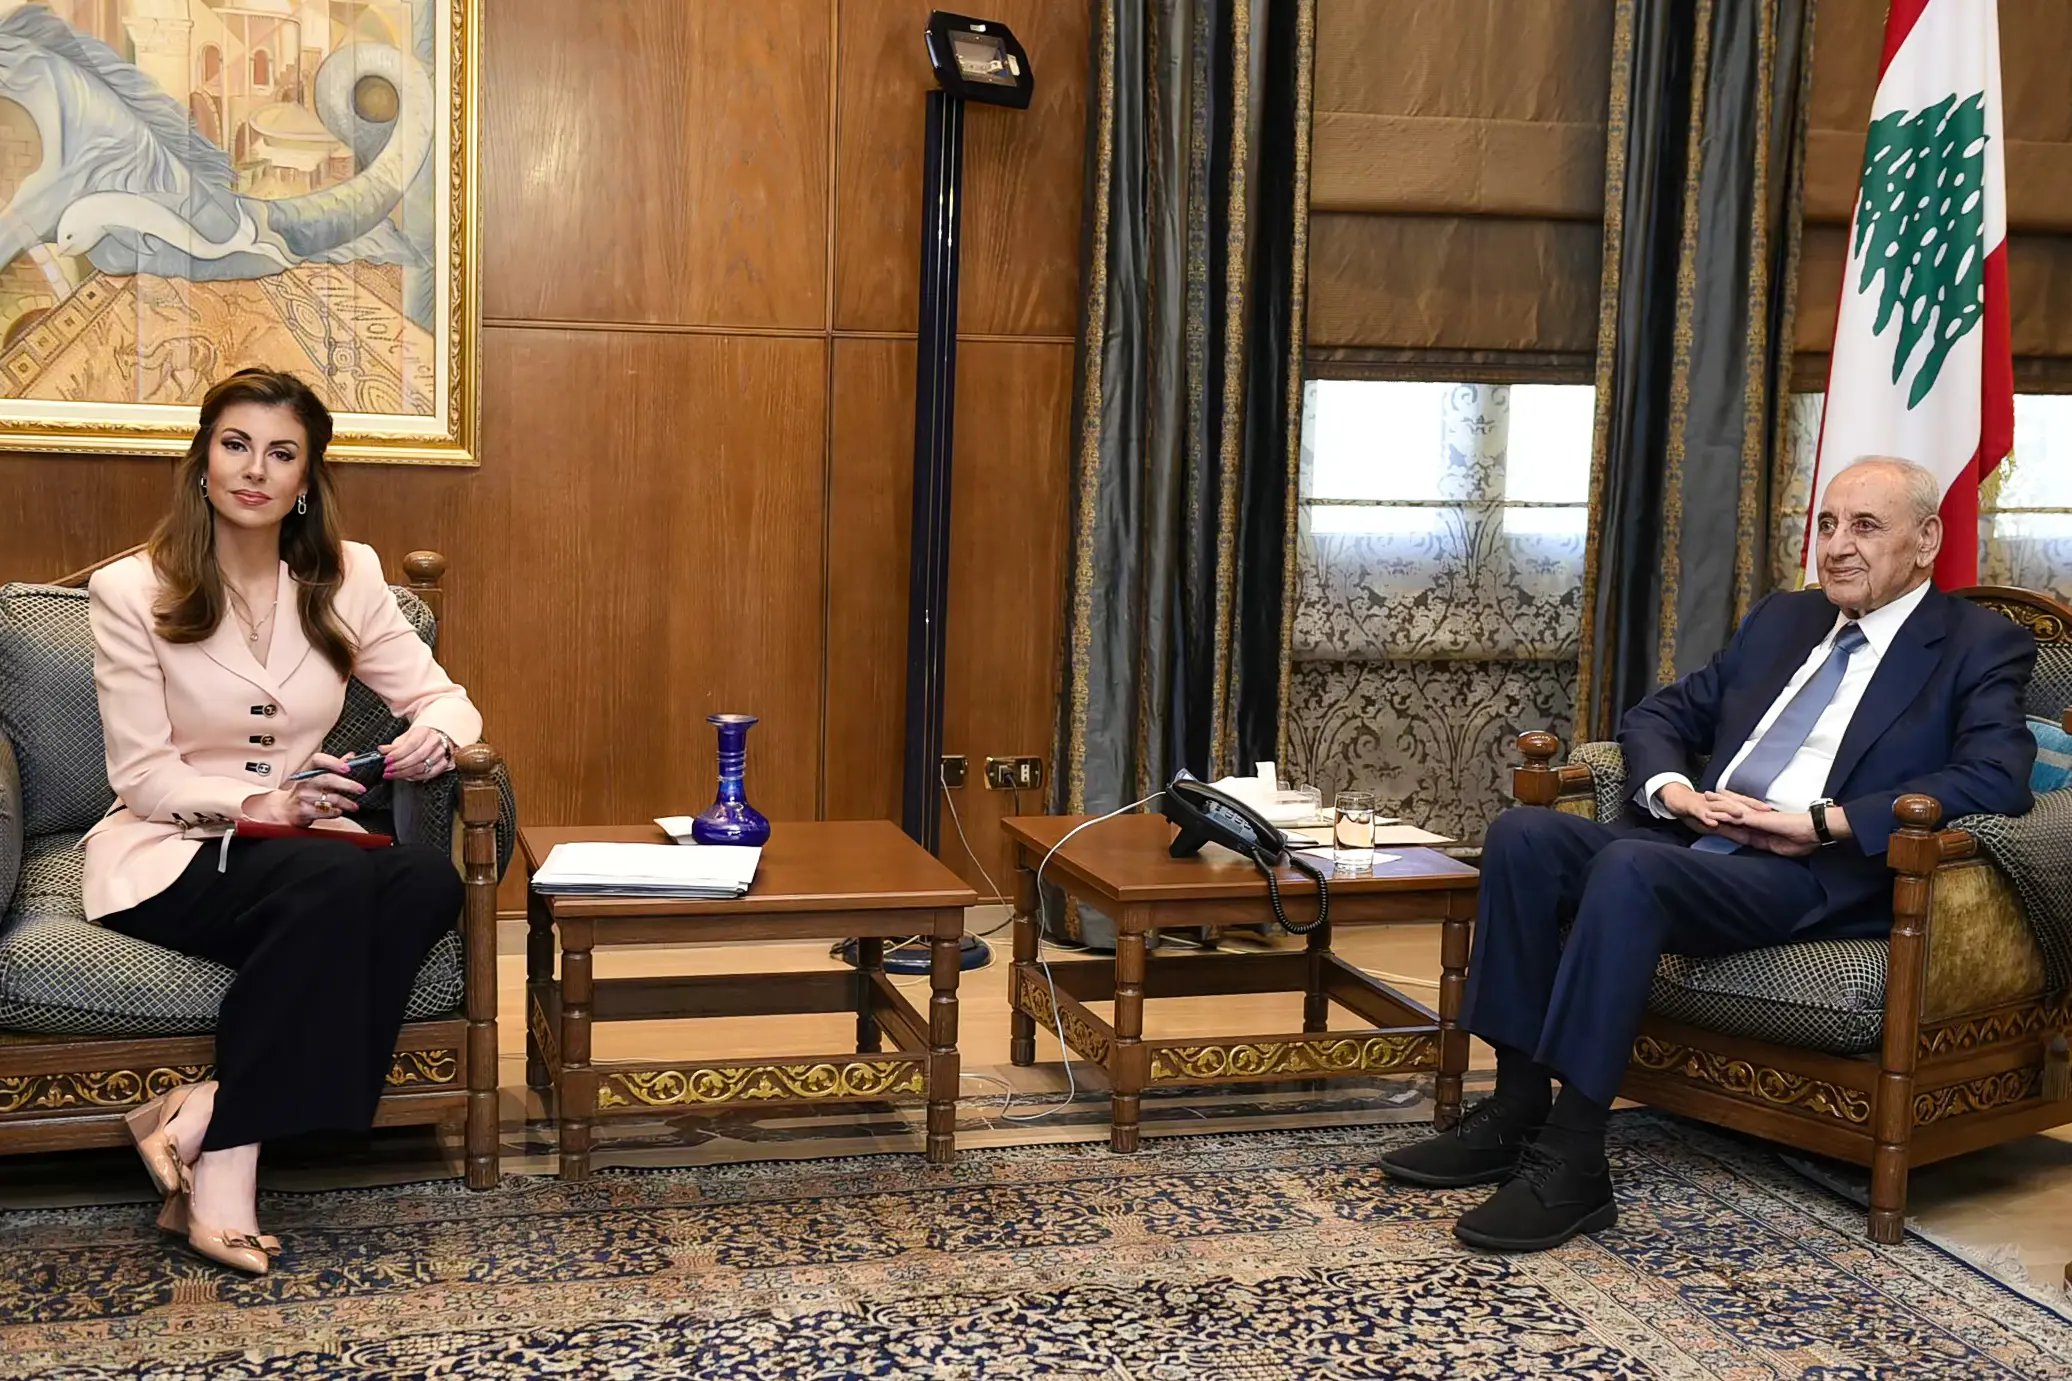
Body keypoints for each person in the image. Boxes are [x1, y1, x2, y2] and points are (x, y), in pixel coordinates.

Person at [1379, 457, 2037, 1252]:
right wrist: (1676, 792)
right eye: (1828, 524)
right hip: (1698, 840)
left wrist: (1824, 823)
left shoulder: (1977, 644)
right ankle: (1516, 1108)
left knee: (1628, 868)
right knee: (1525, 834)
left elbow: (1996, 776)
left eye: (1865, 526)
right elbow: (1661, 713)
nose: (1837, 546)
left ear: (1927, 539)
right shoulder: (1785, 619)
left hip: (1807, 872)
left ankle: (1574, 1158)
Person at [84, 368, 483, 1275]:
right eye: (235, 445)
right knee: (337, 877)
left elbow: (448, 700)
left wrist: (432, 738)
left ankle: (207, 1107)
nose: (254, 469)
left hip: (304, 852)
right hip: (175, 846)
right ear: (203, 461)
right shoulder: (129, 590)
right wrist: (259, 804)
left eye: (281, 453)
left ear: (307, 477)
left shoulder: (349, 575)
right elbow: (141, 774)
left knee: (427, 879)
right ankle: (227, 1163)